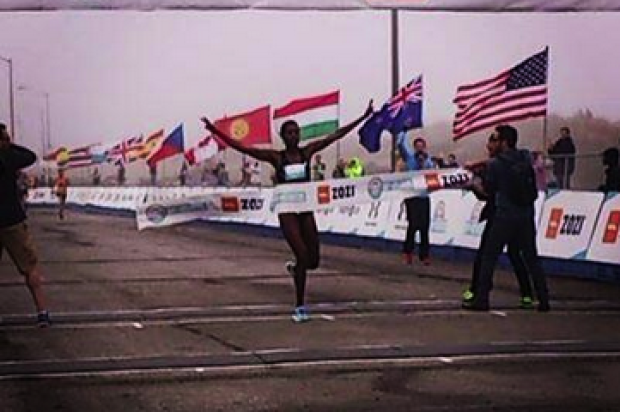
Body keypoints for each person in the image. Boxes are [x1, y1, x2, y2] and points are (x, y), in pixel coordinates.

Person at [201, 100, 373, 323]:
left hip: (306, 210)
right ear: (283, 136)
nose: (293, 136)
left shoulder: (307, 152)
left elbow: (335, 136)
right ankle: (300, 306)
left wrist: (363, 117)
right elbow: (242, 148)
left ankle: (295, 269)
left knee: (313, 262)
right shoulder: (276, 158)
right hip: (287, 213)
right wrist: (215, 131)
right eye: (289, 133)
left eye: (296, 132)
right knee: (302, 255)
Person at [464, 124, 550, 312]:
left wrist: (472, 186)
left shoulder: (496, 165)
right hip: (526, 214)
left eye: (495, 138)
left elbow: (488, 192)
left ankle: (482, 299)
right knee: (531, 258)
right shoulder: (525, 159)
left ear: (503, 142)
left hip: (504, 214)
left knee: (489, 257)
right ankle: (543, 299)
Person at [0, 123, 51, 326]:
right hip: (12, 220)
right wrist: (9, 146)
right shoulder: (9, 157)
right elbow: (30, 156)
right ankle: (42, 312)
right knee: (29, 267)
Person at [397, 133, 435, 265]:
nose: (419, 149)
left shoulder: (428, 161)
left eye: (421, 146)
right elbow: (400, 145)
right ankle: (408, 252)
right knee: (413, 225)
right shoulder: (409, 158)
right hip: (412, 196)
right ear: (414, 147)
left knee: (424, 227)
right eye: (417, 146)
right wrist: (404, 131)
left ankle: (424, 255)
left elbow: (433, 174)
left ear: (424, 147)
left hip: (424, 197)